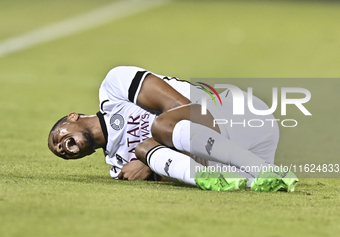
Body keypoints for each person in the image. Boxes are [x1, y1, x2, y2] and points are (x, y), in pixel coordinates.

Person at [48, 66, 298, 192]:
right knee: (147, 146)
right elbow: (175, 176)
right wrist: (150, 160)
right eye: (59, 151)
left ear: (73, 117)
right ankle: (260, 174)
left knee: (158, 131)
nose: (61, 147)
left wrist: (147, 162)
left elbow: (181, 105)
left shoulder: (114, 89)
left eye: (57, 138)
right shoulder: (118, 167)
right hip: (236, 161)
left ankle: (261, 170)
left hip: (238, 115)